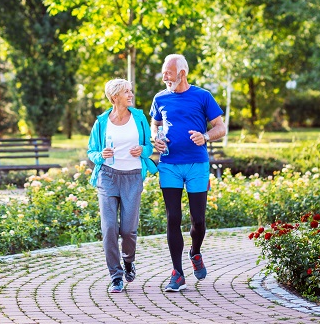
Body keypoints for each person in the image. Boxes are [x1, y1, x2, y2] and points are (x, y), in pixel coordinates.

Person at [149, 54, 226, 292]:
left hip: (196, 165)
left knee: (198, 220)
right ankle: (177, 273)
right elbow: (155, 124)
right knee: (173, 217)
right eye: (163, 72)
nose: (164, 77)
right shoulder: (160, 97)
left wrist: (204, 136)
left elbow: (220, 127)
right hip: (169, 164)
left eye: (168, 73)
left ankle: (195, 252)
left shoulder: (203, 96)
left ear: (182, 73)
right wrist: (156, 138)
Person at [87, 78, 158, 293]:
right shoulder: (101, 121)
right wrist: (101, 155)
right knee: (109, 229)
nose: (131, 94)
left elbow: (148, 147)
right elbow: (91, 151)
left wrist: (142, 151)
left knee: (128, 230)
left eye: (130, 91)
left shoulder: (139, 117)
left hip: (132, 177)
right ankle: (115, 276)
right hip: (107, 177)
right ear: (115, 96)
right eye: (126, 92)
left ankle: (128, 261)